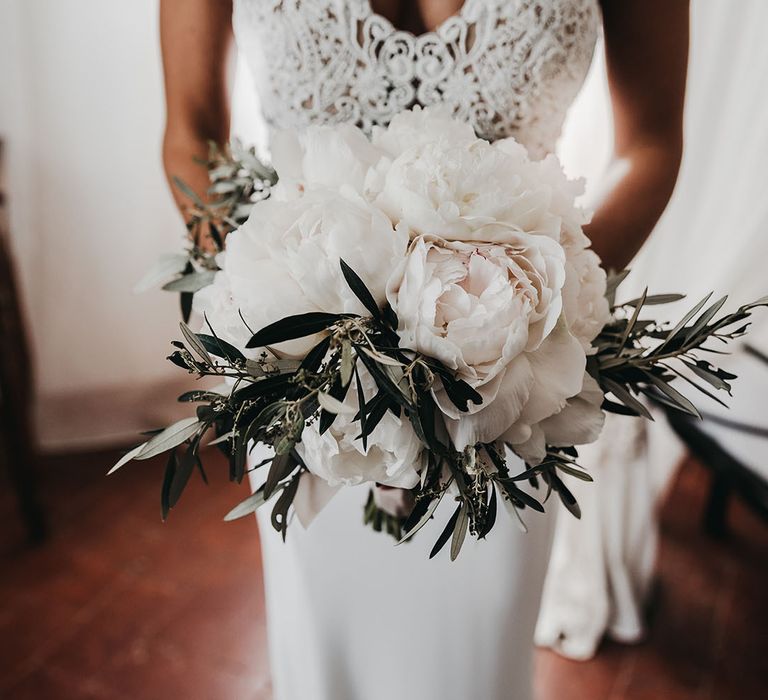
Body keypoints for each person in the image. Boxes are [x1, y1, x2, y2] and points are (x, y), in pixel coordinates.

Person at [160, 2, 688, 698]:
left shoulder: (516, 354)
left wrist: (539, 305)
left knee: (478, 660)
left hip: (507, 388)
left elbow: (649, 143)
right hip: (306, 382)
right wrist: (266, 303)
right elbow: (191, 127)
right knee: (324, 655)